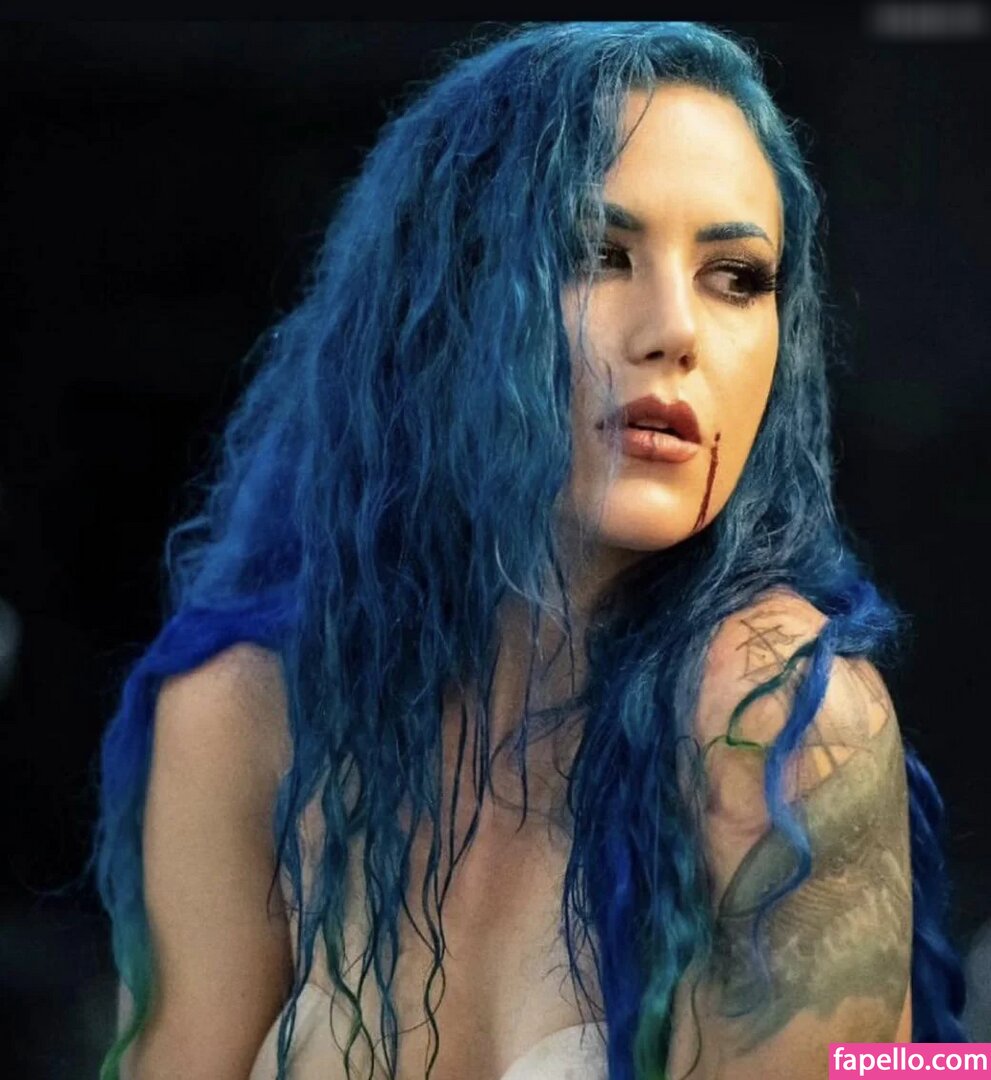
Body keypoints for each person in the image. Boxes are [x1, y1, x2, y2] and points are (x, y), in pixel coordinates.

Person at [88, 21, 968, 1080]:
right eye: (596, 254)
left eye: (736, 276)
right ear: (440, 307)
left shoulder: (776, 723)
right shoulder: (246, 712)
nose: (676, 330)